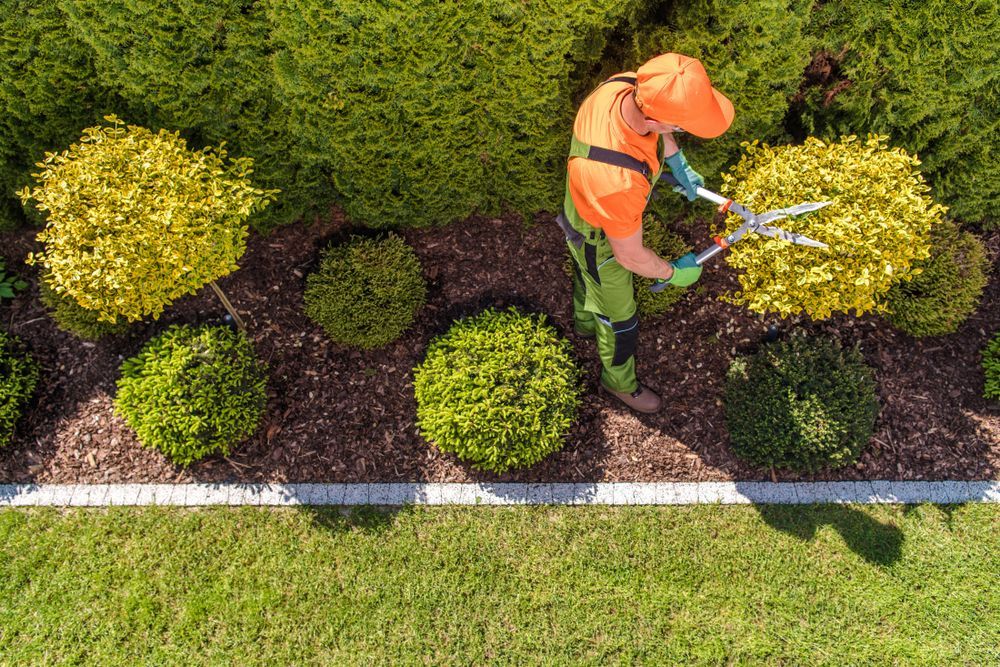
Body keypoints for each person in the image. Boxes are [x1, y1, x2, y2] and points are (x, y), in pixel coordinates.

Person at [557, 53, 734, 413]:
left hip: (582, 205)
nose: (678, 133)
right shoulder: (617, 183)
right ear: (654, 118)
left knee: (584, 275)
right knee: (619, 319)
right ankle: (619, 383)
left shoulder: (624, 85)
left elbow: (658, 125)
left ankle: (583, 322)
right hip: (599, 239)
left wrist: (676, 160)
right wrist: (674, 272)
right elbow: (630, 256)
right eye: (680, 127)